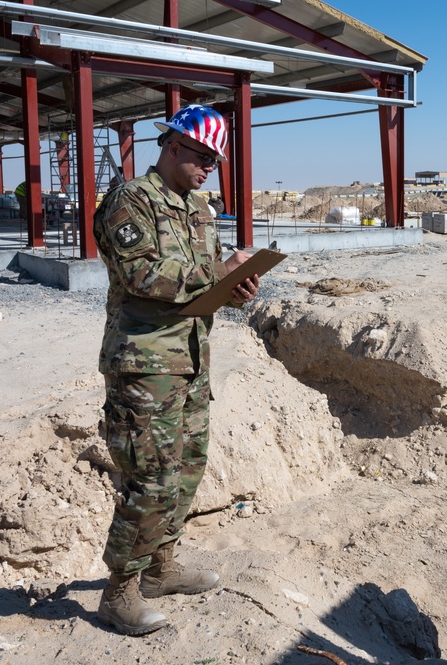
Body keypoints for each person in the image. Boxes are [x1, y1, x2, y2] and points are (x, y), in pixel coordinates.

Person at [92, 104, 259, 636]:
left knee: (186, 469)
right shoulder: (129, 201)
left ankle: (161, 568)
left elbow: (199, 286)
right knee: (149, 477)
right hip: (145, 365)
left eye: (216, 160)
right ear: (172, 147)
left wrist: (234, 290)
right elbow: (142, 275)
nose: (210, 166)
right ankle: (119, 590)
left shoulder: (199, 208)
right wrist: (218, 271)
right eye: (203, 156)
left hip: (190, 360)